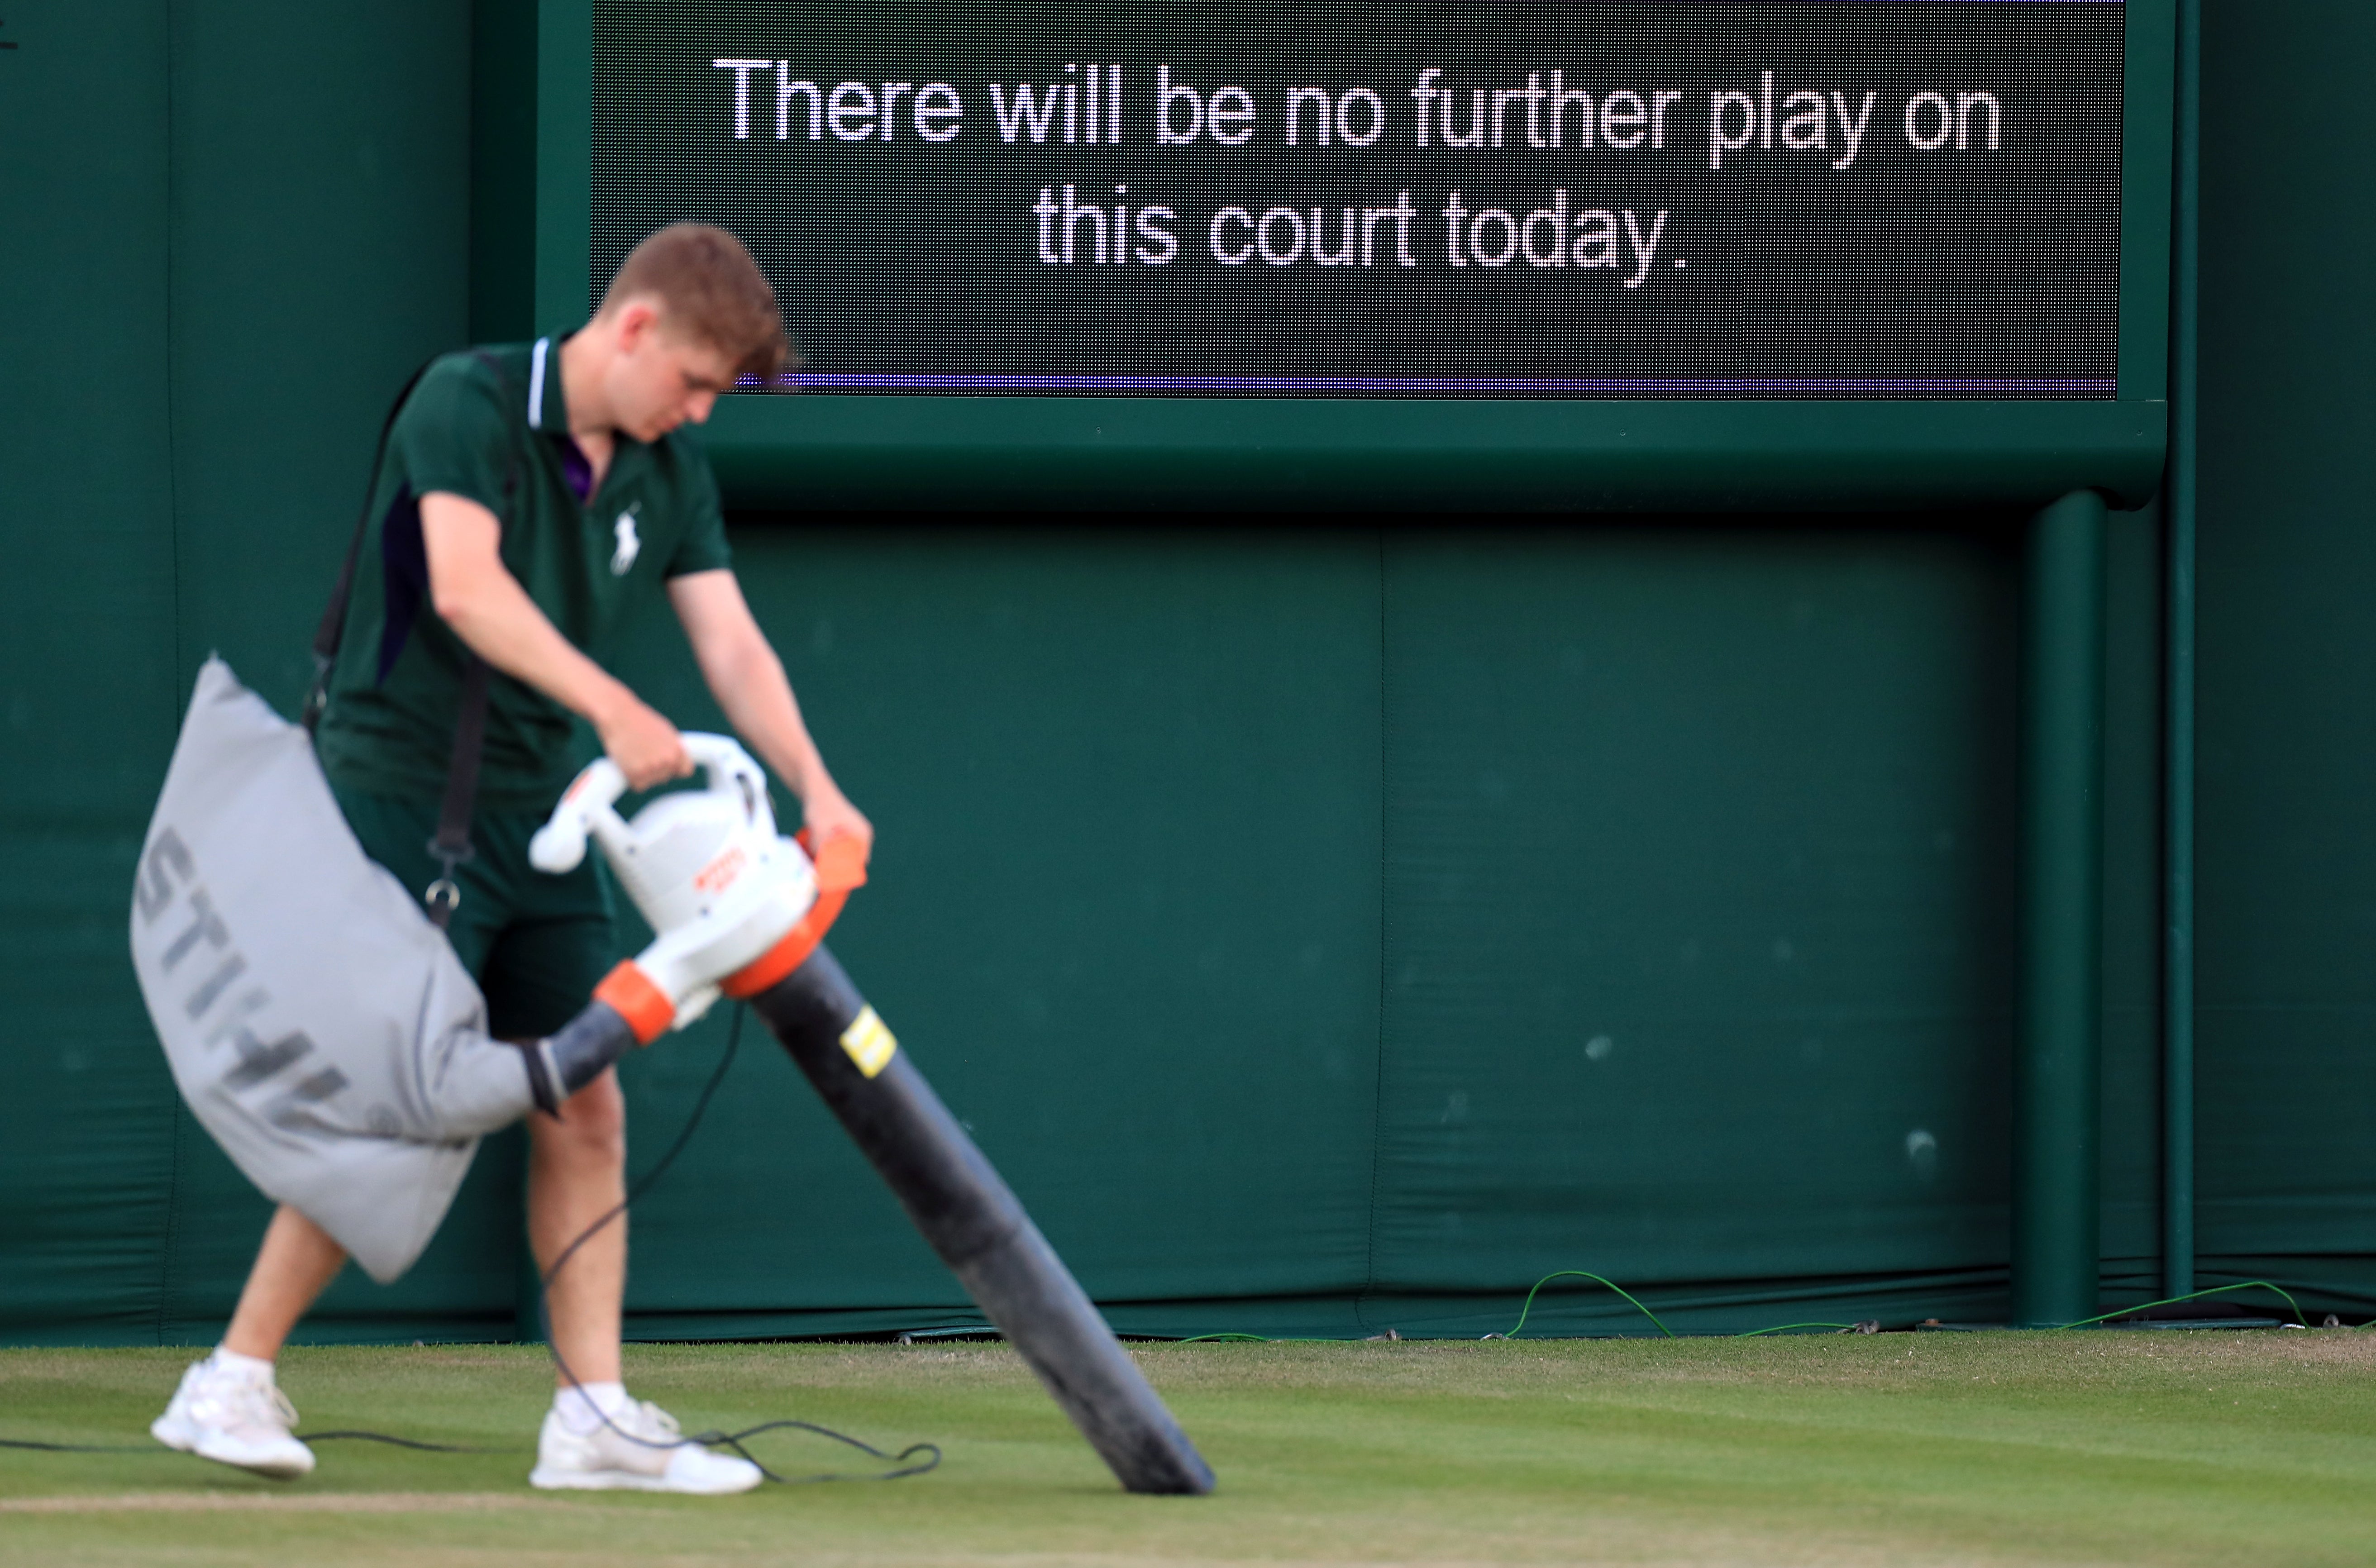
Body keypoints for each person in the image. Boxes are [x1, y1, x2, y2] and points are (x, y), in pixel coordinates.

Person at [149, 224, 871, 1494]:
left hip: (543, 815)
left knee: (583, 1098)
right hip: (396, 791)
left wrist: (820, 786)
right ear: (635, 326)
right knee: (398, 1095)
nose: (697, 411)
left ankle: (591, 1416)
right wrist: (613, 704)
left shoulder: (668, 463)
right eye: (694, 380)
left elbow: (733, 644)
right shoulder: (464, 401)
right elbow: (468, 591)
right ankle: (232, 1378)